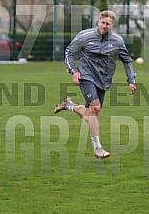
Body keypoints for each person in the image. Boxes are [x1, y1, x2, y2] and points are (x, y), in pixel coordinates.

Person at [54, 10, 136, 159]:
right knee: (95, 108)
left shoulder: (117, 41)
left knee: (92, 114)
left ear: (112, 26)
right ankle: (98, 148)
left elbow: (127, 60)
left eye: (108, 24)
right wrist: (74, 71)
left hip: (103, 80)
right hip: (86, 76)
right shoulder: (85, 35)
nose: (104, 26)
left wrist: (131, 80)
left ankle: (69, 105)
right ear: (98, 22)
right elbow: (69, 52)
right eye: (102, 23)